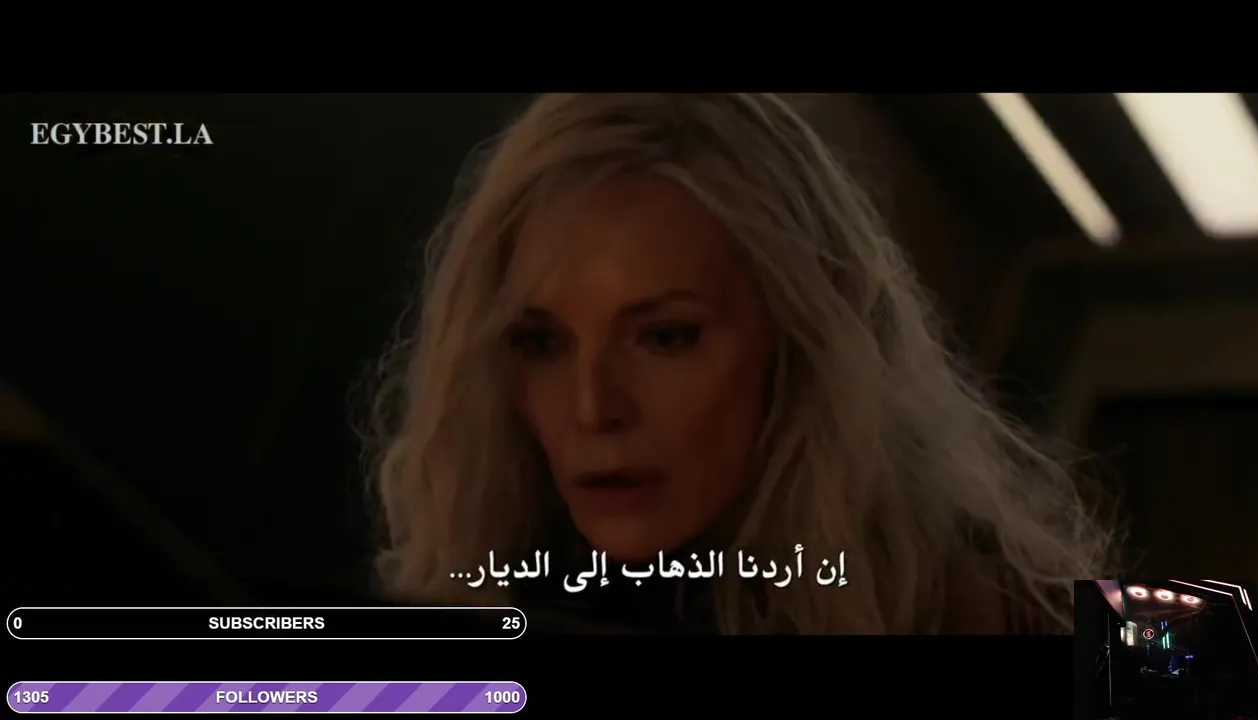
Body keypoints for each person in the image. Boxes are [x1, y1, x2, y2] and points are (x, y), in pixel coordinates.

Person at [363, 93, 1113, 634]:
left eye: (665, 338)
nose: (593, 407)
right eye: (543, 344)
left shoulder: (1032, 617)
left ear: (799, 345)